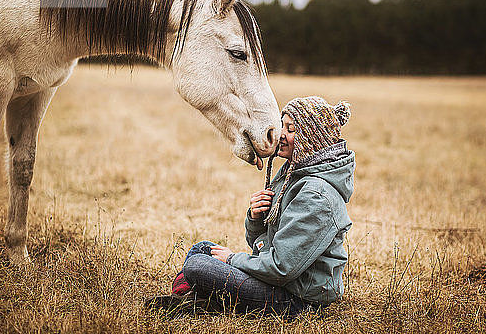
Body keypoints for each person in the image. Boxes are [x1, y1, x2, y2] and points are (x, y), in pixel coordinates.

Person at [146, 96, 354, 317]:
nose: (281, 134)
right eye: (282, 125)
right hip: (279, 282)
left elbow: (280, 268)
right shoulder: (294, 174)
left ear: (312, 138)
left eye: (290, 129)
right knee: (202, 249)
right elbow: (260, 246)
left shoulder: (316, 195)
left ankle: (197, 301)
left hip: (296, 299)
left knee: (198, 265)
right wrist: (255, 218)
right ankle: (195, 300)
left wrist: (231, 259)